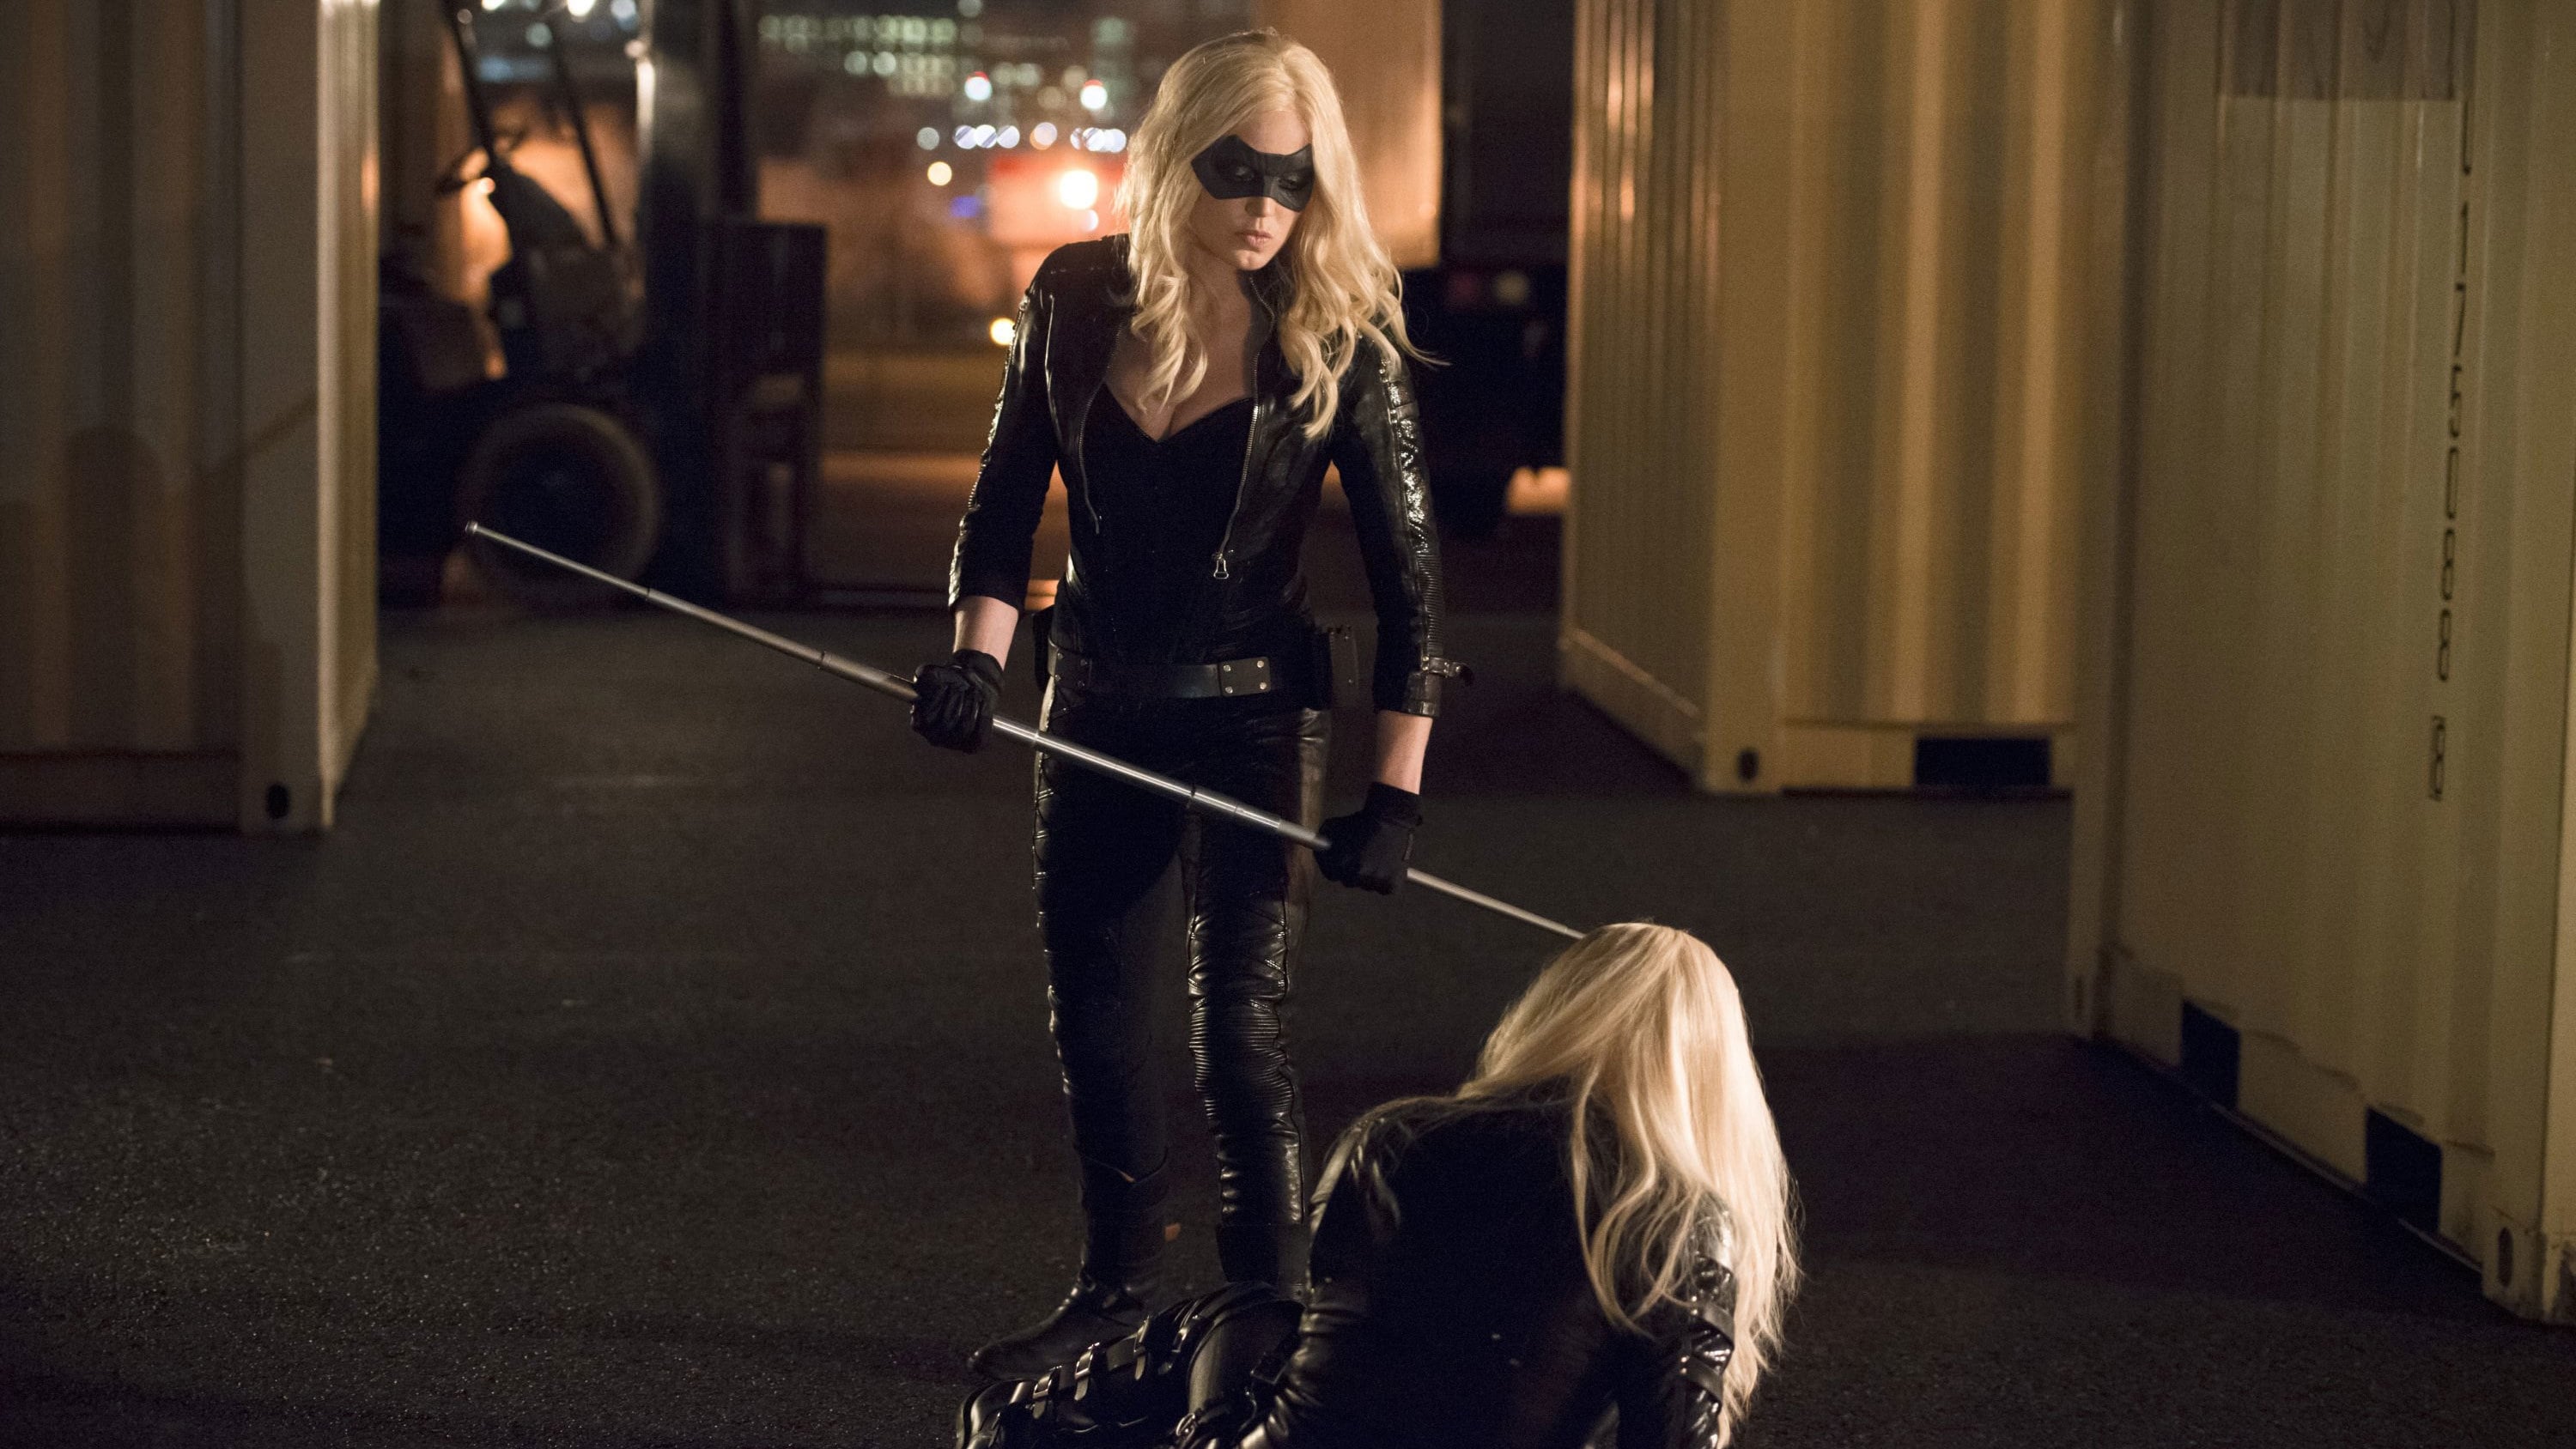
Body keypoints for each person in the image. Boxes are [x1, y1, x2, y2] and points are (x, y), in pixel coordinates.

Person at [909, 28, 1462, 1379]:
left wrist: (1393, 796)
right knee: (1097, 1025)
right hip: (1093, 709)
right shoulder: (1073, 296)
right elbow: (1000, 512)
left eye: (1295, 180)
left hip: (1255, 721)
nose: (1268, 207)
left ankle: (1270, 1316)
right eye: (1238, 172)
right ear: (1175, 160)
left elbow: (1415, 594)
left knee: (1239, 1036)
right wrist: (978, 660)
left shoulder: (1339, 337)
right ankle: (1113, 1294)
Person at [954, 923, 1802, 1449]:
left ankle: (1009, 1425)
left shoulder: (1394, 1138)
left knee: (1240, 1318)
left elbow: (1340, 1355)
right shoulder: (1677, 1216)